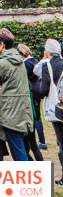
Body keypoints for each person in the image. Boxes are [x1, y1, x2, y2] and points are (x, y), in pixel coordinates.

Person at [0, 28, 44, 197]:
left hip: (11, 117)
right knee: (23, 159)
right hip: (23, 115)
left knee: (21, 162)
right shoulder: (18, 60)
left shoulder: (2, 63)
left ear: (2, 45)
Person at [38, 38, 63, 186]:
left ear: (48, 51)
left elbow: (43, 89)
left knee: (61, 142)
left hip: (56, 108)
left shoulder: (47, 65)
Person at [16, 44, 43, 162]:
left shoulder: (25, 65)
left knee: (29, 142)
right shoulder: (34, 62)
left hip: (28, 100)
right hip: (35, 98)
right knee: (32, 141)